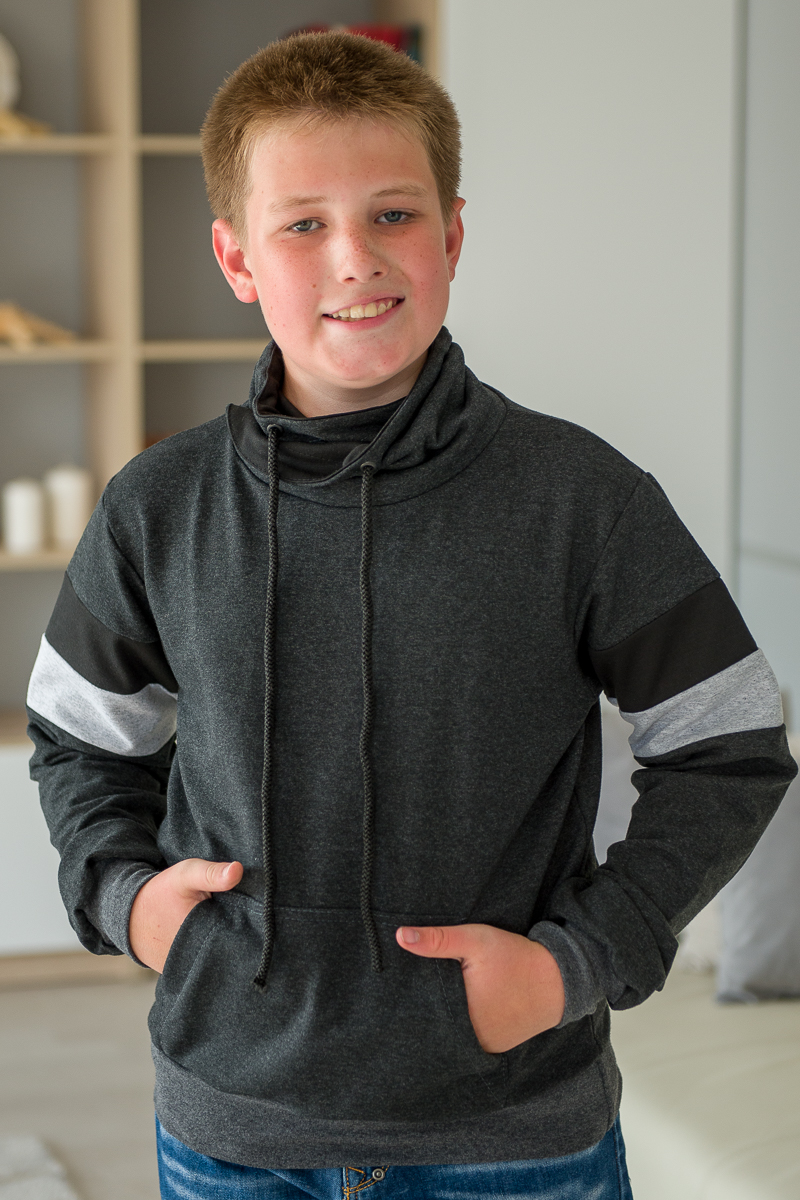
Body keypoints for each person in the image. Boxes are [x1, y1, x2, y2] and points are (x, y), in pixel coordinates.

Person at [27, 30, 796, 1200]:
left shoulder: (582, 500)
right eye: (302, 225)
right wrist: (126, 904)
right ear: (237, 258)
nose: (355, 259)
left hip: (517, 1143)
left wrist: (578, 961)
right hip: (232, 1139)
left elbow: (728, 745)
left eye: (392, 215)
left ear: (451, 236)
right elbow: (80, 742)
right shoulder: (155, 507)